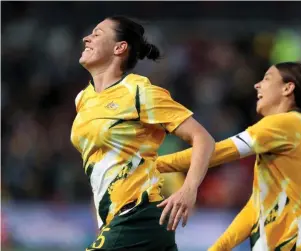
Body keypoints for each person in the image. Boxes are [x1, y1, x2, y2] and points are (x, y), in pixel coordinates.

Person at [70, 16, 215, 251]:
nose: (87, 38)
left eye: (97, 34)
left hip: (138, 215)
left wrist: (188, 190)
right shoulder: (83, 99)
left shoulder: (139, 92)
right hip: (117, 221)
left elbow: (203, 139)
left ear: (120, 47)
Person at [157, 62, 301, 250]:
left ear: (288, 88)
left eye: (267, 78)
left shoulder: (284, 124)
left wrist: (152, 164)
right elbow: (255, 209)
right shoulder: (297, 130)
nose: (257, 85)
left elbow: (214, 153)